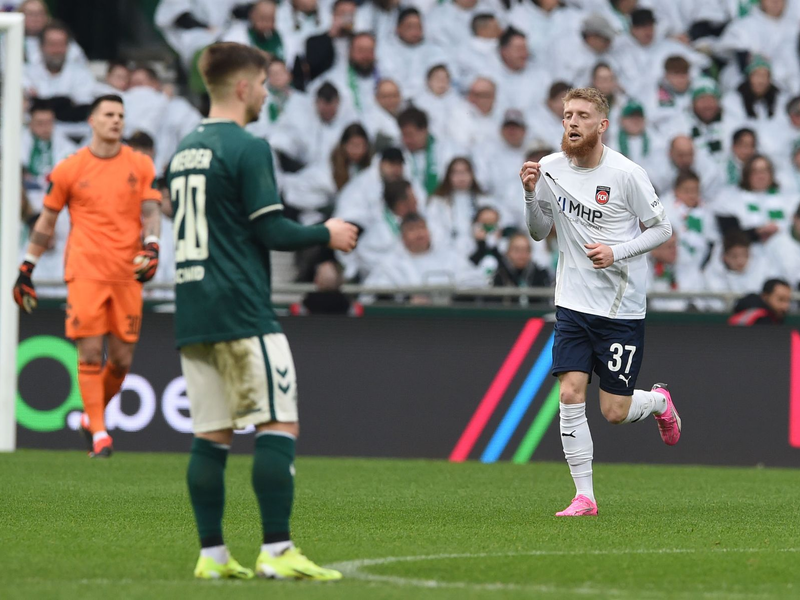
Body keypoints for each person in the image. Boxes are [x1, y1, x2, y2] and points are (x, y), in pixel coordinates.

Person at [165, 42, 357, 581]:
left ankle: (213, 556)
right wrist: (328, 232)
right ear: (244, 87)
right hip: (242, 309)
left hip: (193, 310)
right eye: (265, 85)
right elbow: (270, 230)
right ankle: (276, 549)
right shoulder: (248, 147)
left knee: (210, 434)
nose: (268, 93)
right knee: (279, 424)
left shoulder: (183, 151)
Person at [520, 87, 680, 518]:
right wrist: (531, 194)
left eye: (582, 116)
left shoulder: (627, 173)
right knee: (570, 392)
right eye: (567, 115)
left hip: (620, 308)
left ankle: (660, 402)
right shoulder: (550, 168)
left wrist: (617, 252)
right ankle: (584, 496)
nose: (571, 122)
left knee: (614, 411)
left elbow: (662, 229)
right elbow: (538, 232)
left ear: (601, 125)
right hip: (572, 303)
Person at [13, 94, 163, 459]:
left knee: (123, 360)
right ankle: (99, 433)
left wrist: (153, 245)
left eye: (121, 115)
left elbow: (151, 211)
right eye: (109, 114)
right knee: (91, 350)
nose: (116, 121)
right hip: (85, 271)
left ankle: (90, 419)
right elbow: (46, 222)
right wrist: (26, 266)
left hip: (127, 273)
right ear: (92, 122)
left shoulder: (139, 164)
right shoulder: (70, 168)